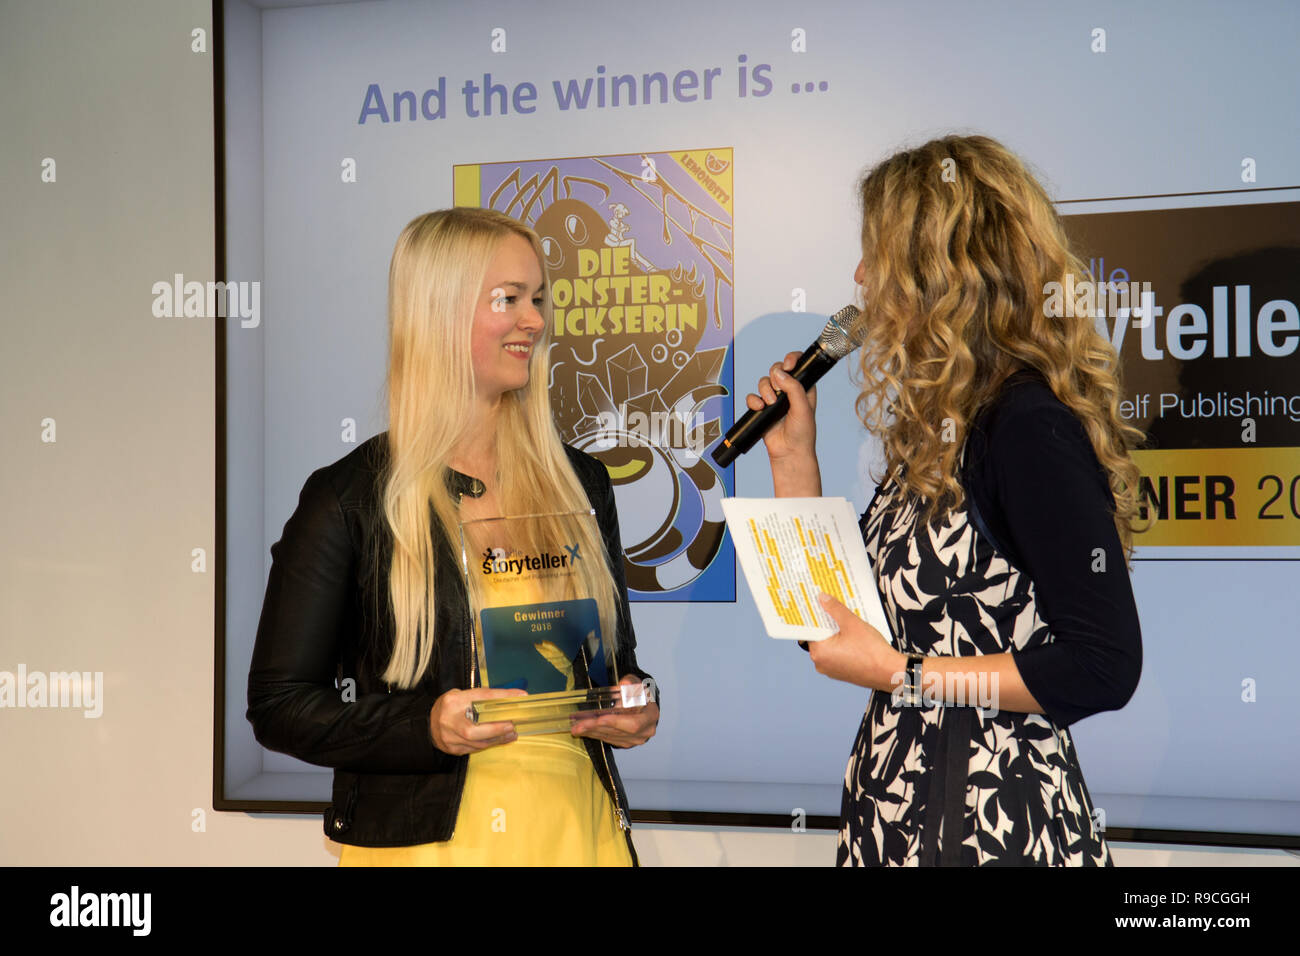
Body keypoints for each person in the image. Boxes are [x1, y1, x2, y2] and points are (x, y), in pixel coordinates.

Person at [747, 135, 1144, 866]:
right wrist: (792, 457)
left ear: (942, 271)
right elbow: (832, 633)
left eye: (879, 256)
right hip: (896, 808)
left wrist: (904, 674)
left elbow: (1103, 666)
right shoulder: (938, 432)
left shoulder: (1027, 426)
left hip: (992, 824)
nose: (860, 277)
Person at [246, 207, 659, 866]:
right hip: (427, 847)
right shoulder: (349, 499)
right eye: (509, 299)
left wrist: (635, 701)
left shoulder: (582, 482)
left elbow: (614, 666)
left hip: (574, 832)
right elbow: (280, 704)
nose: (534, 320)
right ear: (439, 313)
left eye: (537, 299)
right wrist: (425, 727)